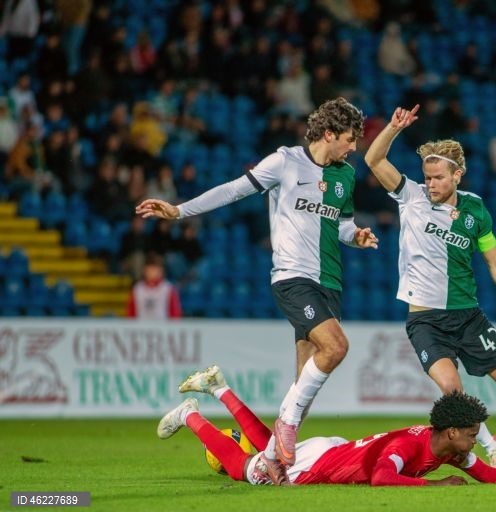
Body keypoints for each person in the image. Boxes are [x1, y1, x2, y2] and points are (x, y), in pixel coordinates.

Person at [135, 98, 378, 483]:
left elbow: (342, 225)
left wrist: (356, 236)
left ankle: (268, 460)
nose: (354, 147)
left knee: (303, 387)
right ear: (329, 133)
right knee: (336, 347)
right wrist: (180, 211)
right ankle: (278, 438)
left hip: (330, 282)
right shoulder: (285, 162)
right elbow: (233, 190)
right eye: (350, 139)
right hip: (293, 278)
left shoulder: (345, 175)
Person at [363, 105, 496, 476]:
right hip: (426, 321)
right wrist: (393, 129)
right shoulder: (410, 196)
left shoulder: (476, 210)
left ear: (458, 175)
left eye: (439, 178)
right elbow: (373, 159)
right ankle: (492, 450)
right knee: (454, 395)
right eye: (427, 177)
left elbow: (495, 262)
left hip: (468, 317)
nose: (431, 184)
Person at [157, 365, 496, 486]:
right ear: (452, 432)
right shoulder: (410, 448)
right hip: (319, 463)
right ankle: (190, 414)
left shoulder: (444, 447)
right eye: (472, 434)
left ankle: (220, 388)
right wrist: (436, 485)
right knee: (243, 469)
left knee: (267, 449)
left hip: (332, 450)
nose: (475, 441)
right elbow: (381, 477)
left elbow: (484, 473)